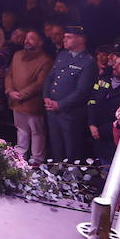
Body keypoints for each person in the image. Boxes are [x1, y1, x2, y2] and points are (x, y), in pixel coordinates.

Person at [43, 25, 96, 161]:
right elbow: (50, 77)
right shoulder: (62, 55)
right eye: (64, 37)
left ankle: (71, 179)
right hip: (52, 109)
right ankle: (54, 177)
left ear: (80, 40)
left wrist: (60, 104)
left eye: (69, 37)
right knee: (56, 147)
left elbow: (82, 91)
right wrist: (46, 97)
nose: (64, 40)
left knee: (71, 149)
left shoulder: (87, 61)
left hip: (70, 112)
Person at [5, 29, 53, 163]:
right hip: (16, 99)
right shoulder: (17, 55)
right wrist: (10, 91)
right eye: (26, 37)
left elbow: (40, 82)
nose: (27, 40)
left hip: (32, 102)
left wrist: (22, 94)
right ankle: (20, 154)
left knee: (36, 131)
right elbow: (9, 74)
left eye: (31, 38)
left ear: (40, 42)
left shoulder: (45, 60)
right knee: (21, 129)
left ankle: (37, 159)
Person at [87, 46, 120, 162]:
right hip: (94, 134)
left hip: (115, 141)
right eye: (115, 63)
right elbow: (92, 100)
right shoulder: (104, 79)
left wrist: (102, 131)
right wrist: (91, 123)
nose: (114, 66)